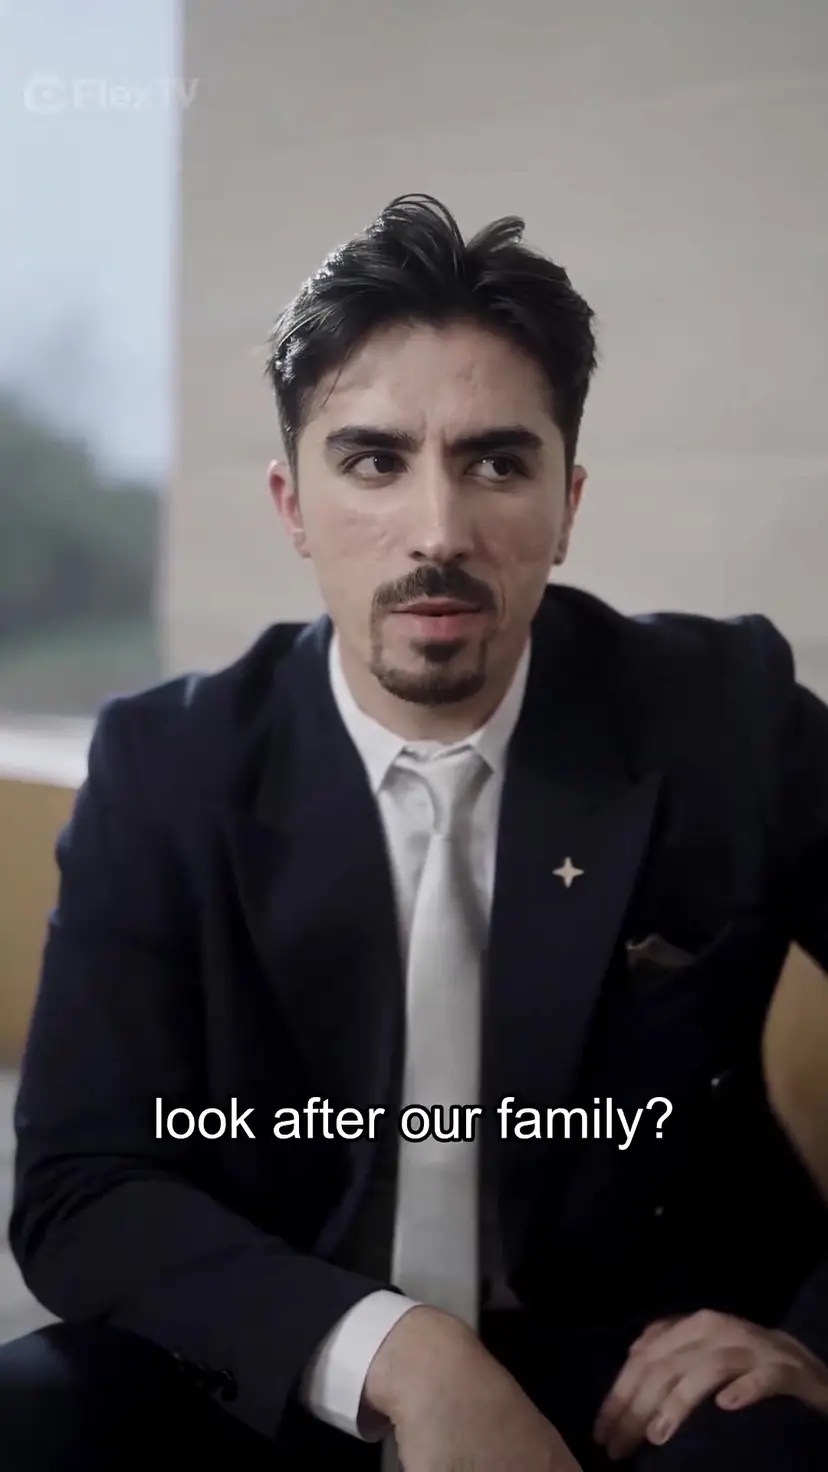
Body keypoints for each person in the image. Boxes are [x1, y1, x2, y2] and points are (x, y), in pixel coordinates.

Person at [2, 193, 828, 1471]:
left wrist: (819, 1337)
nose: (438, 532)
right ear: (292, 502)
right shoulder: (165, 765)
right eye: (374, 461)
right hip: (285, 1335)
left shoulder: (729, 715)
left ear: (567, 501)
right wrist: (399, 1352)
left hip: (646, 1358)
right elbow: (78, 1182)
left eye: (497, 462)